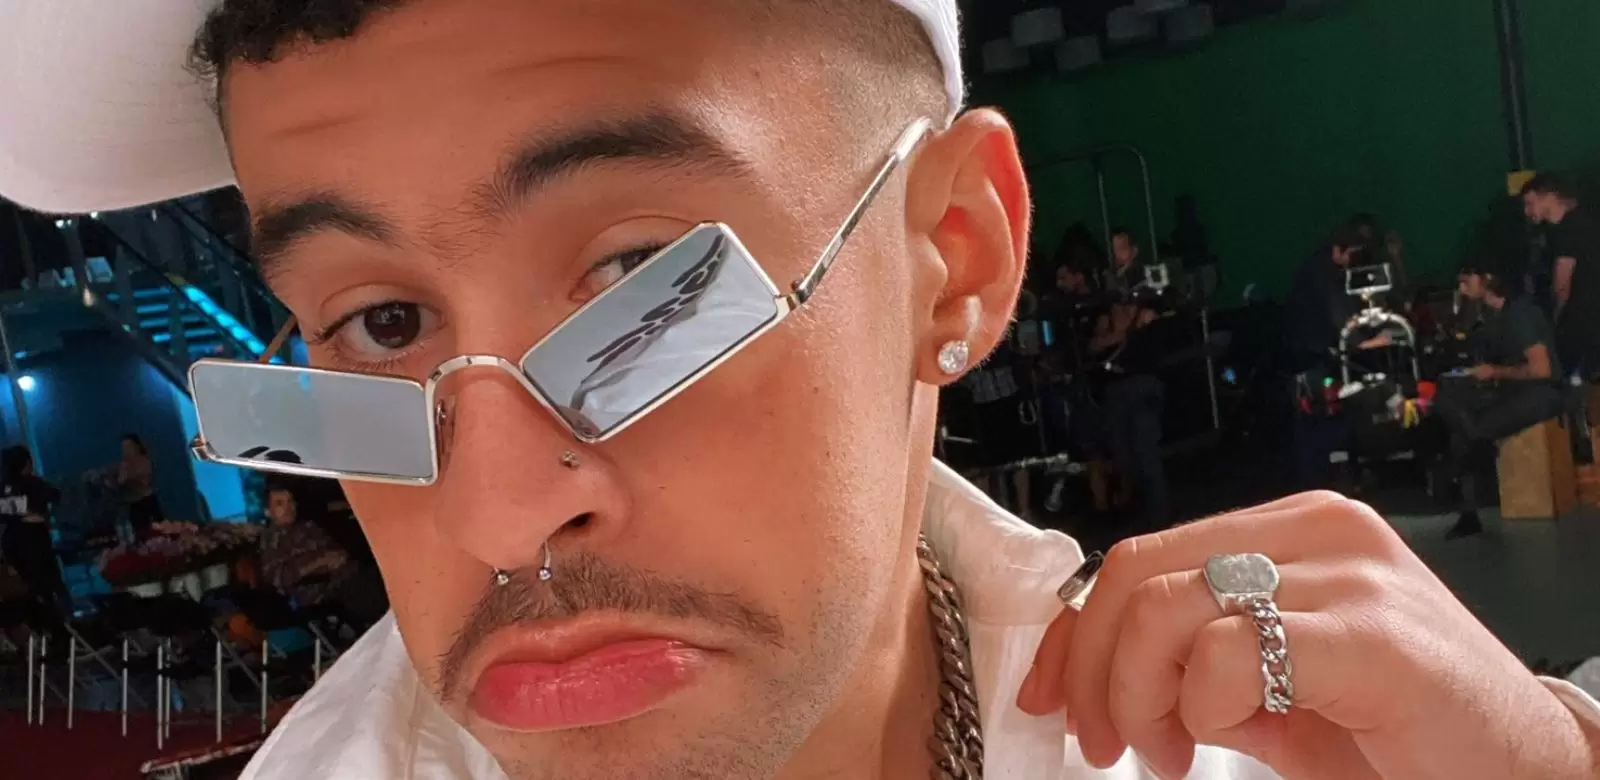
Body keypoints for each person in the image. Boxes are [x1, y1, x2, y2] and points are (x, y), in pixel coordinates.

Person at [3, 2, 1600, 780]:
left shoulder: (1292, 756)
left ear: (955, 258)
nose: (496, 512)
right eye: (382, 320)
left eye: (639, 283)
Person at [1433, 267, 1565, 539]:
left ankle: (1459, 478)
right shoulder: (1489, 315)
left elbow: (1542, 370)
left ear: (1488, 279)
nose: (1462, 289)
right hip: (1510, 389)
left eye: (1466, 281)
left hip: (1542, 392)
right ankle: (1468, 503)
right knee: (1453, 407)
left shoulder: (1521, 314)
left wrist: (1495, 372)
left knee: (1473, 430)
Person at [1522, 174, 1600, 376]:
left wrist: (1555, 318)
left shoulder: (1567, 230)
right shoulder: (1580, 223)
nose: (1527, 211)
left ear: (1549, 197)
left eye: (1530, 203)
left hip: (1581, 317)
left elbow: (1562, 284)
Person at [258, 481, 351, 608]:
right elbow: (278, 578)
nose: (288, 507)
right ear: (268, 511)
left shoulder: (308, 526)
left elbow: (334, 549)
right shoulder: (269, 539)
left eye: (290, 501)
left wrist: (337, 557)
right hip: (311, 597)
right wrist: (319, 562)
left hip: (341, 579)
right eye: (279, 503)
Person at [0, 446, 64, 615]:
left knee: (25, 589)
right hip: (35, 542)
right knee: (49, 586)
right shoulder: (32, 483)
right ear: (27, 463)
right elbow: (56, 495)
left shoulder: (2, 487)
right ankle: (58, 621)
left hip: (11, 544)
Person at [117, 434, 163, 538]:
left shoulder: (144, 461)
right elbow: (120, 481)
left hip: (147, 501)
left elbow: (143, 481)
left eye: (128, 446)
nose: (126, 450)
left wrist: (129, 478)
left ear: (136, 447)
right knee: (140, 534)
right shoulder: (124, 465)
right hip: (134, 505)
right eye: (124, 447)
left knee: (158, 532)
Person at [1103, 228, 1144, 297]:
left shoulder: (1142, 271)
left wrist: (1129, 264)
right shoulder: (1109, 274)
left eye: (1123, 248)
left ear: (1133, 249)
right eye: (1116, 249)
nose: (1119, 253)